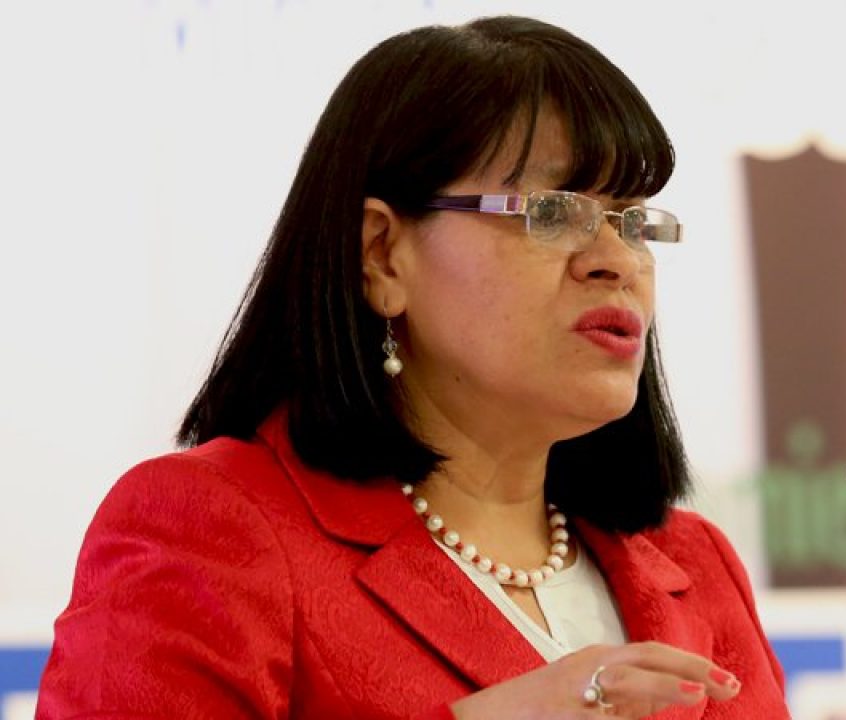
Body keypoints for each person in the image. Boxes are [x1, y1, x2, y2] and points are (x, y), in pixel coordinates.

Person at [36, 14, 788, 720]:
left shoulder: (695, 562)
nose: (617, 261)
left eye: (634, 222)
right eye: (554, 212)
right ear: (382, 254)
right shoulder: (214, 529)